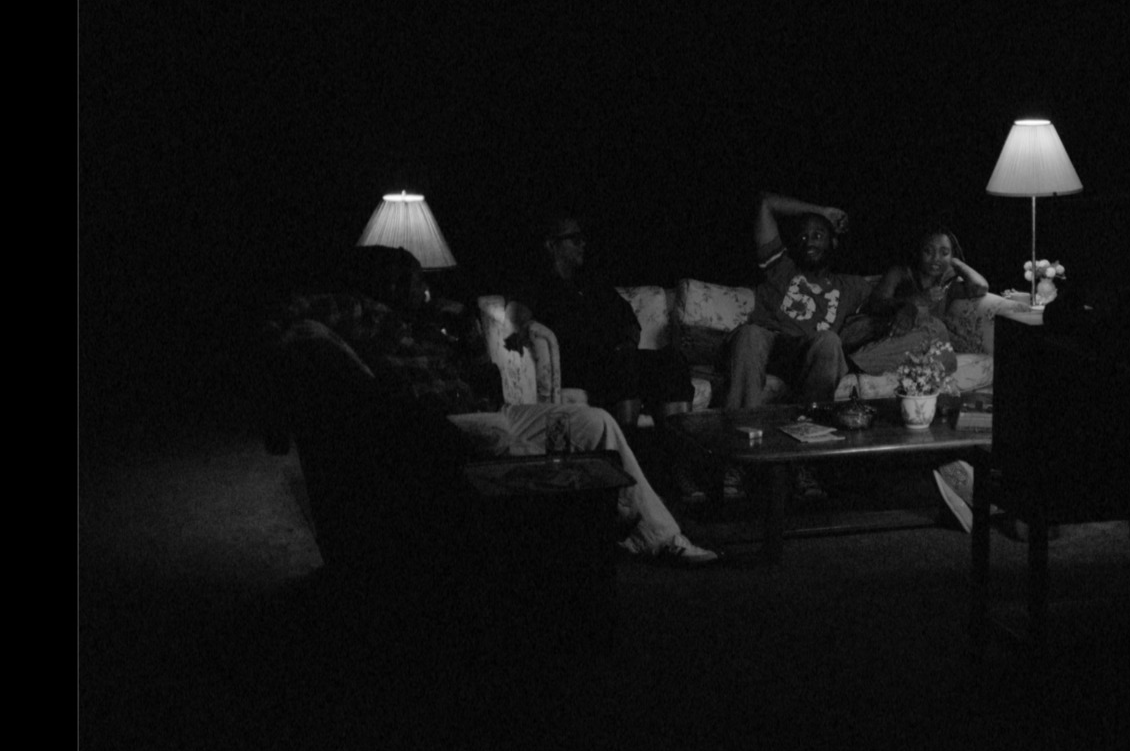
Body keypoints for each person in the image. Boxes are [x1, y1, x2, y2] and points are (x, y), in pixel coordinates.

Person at [315, 246, 717, 566]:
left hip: (490, 407)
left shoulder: (432, 318)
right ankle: (577, 531)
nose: (423, 288)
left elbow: (481, 374)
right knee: (503, 441)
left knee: (594, 422)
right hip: (440, 421)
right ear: (391, 283)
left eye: (422, 279)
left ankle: (662, 537)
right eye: (414, 280)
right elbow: (291, 318)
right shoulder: (363, 313)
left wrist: (466, 332)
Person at [719, 192, 875, 501]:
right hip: (767, 344)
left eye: (818, 234)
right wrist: (823, 210)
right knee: (750, 333)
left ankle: (806, 464)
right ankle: (737, 461)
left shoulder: (851, 286)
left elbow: (894, 292)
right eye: (803, 235)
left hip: (806, 357)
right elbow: (764, 202)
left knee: (829, 341)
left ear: (834, 242)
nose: (809, 240)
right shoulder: (780, 267)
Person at [507, 212, 695, 429]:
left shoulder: (591, 283)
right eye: (575, 239)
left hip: (614, 361)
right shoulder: (538, 283)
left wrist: (627, 343)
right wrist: (519, 327)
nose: (583, 244)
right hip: (576, 365)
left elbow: (629, 319)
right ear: (552, 245)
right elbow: (516, 313)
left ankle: (677, 444)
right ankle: (624, 446)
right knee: (624, 363)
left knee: (672, 360)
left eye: (583, 238)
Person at [846, 226, 989, 375]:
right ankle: (853, 364)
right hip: (872, 332)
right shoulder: (900, 273)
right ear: (918, 251)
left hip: (909, 343)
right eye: (928, 251)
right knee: (936, 328)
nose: (936, 259)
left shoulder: (947, 285)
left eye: (944, 253)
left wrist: (955, 262)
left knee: (941, 346)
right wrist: (911, 304)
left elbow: (980, 287)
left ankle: (857, 364)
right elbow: (876, 304)